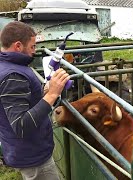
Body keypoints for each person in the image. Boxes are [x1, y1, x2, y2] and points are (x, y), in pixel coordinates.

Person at [0, 21, 70, 179]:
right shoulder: (13, 76)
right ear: (18, 46)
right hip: (33, 158)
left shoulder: (8, 65)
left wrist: (42, 93)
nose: (35, 50)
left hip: (24, 151)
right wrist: (52, 94)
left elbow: (17, 102)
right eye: (32, 46)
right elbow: (21, 125)